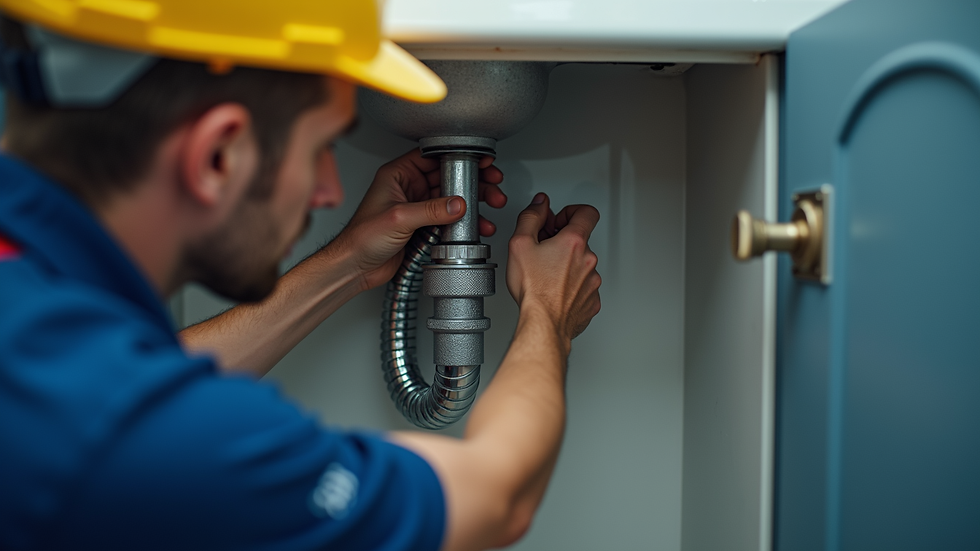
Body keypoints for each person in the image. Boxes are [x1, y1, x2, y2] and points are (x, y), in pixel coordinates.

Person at [0, 2, 601, 550]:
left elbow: (124, 395)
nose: (330, 191)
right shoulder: (140, 438)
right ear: (218, 156)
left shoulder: (45, 343)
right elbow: (496, 499)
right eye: (321, 148)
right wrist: (548, 312)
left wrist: (346, 265)